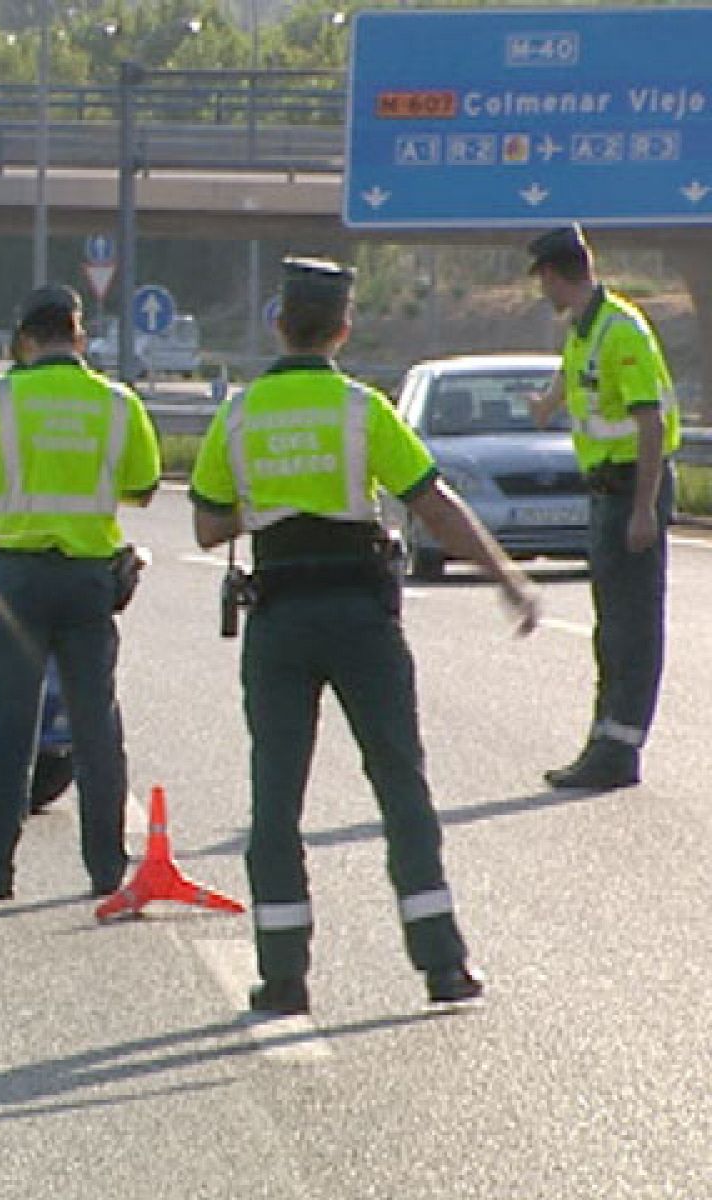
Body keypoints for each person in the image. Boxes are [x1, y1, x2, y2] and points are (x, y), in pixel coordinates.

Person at [189, 257, 542, 1014]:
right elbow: (434, 504)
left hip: (279, 621)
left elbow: (208, 525)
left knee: (275, 797)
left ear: (279, 325)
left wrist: (272, 504)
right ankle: (443, 965)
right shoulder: (361, 410)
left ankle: (284, 978)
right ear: (344, 329)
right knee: (401, 785)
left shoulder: (240, 416)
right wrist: (507, 578)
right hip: (361, 620)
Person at [0, 282, 162, 903]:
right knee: (96, 727)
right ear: (80, 337)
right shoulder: (117, 404)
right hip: (88, 581)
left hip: (16, 579)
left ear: (24, 340)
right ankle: (106, 869)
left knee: (11, 727)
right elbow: (144, 487)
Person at [525, 223, 680, 791]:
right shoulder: (583, 329)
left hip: (632, 487)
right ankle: (605, 741)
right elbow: (575, 377)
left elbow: (650, 423)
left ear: (554, 274)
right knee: (611, 628)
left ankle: (620, 749)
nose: (541, 289)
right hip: (606, 492)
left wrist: (644, 509)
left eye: (542, 278)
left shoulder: (621, 330)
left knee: (631, 628)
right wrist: (546, 403)